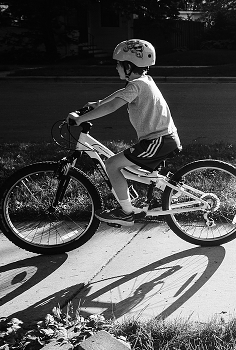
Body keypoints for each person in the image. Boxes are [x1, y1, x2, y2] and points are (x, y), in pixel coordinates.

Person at [67, 39, 182, 226]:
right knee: (129, 169)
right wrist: (98, 103)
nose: (116, 68)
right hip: (162, 139)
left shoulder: (137, 85)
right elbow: (120, 93)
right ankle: (167, 187)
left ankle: (127, 212)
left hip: (157, 141)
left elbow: (114, 105)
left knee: (112, 164)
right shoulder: (143, 81)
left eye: (118, 64)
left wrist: (81, 119)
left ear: (129, 66)